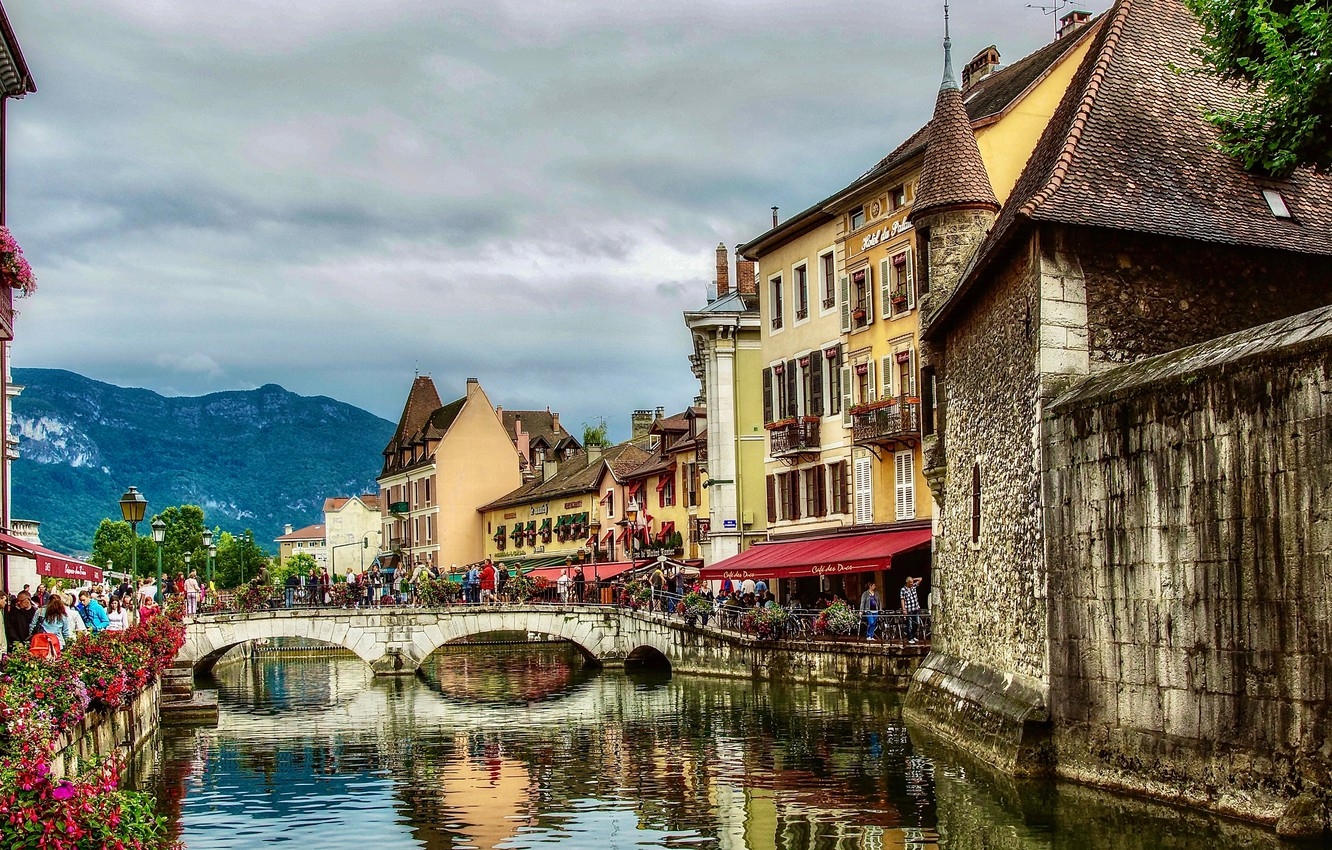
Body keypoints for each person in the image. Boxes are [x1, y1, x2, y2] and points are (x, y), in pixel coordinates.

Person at [900, 576, 922, 644]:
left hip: (915, 608)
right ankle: (910, 637)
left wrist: (913, 579)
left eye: (912, 582)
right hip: (909, 609)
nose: (912, 583)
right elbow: (902, 599)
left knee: (917, 623)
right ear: (907, 583)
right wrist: (904, 609)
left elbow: (920, 579)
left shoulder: (914, 586)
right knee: (909, 624)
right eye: (910, 583)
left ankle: (913, 635)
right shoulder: (903, 589)